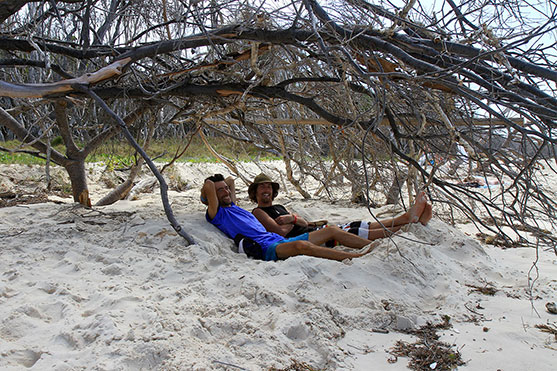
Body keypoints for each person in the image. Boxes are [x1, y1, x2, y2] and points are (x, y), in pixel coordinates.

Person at [201, 174, 376, 262]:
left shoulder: (234, 206)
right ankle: (353, 258)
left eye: (226, 189)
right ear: (212, 197)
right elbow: (209, 186)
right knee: (302, 246)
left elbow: (230, 180)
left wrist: (222, 183)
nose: (226, 191)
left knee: (332, 230)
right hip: (266, 248)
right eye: (220, 190)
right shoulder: (217, 214)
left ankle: (372, 248)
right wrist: (207, 193)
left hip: (276, 239)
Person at [248, 173, 432, 241]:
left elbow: (302, 220)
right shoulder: (258, 212)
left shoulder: (280, 206)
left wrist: (292, 219)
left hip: (313, 228)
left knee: (359, 224)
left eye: (269, 187)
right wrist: (291, 220)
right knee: (353, 232)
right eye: (262, 187)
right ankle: (409, 227)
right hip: (304, 237)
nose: (266, 189)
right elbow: (279, 232)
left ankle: (407, 219)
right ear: (255, 193)